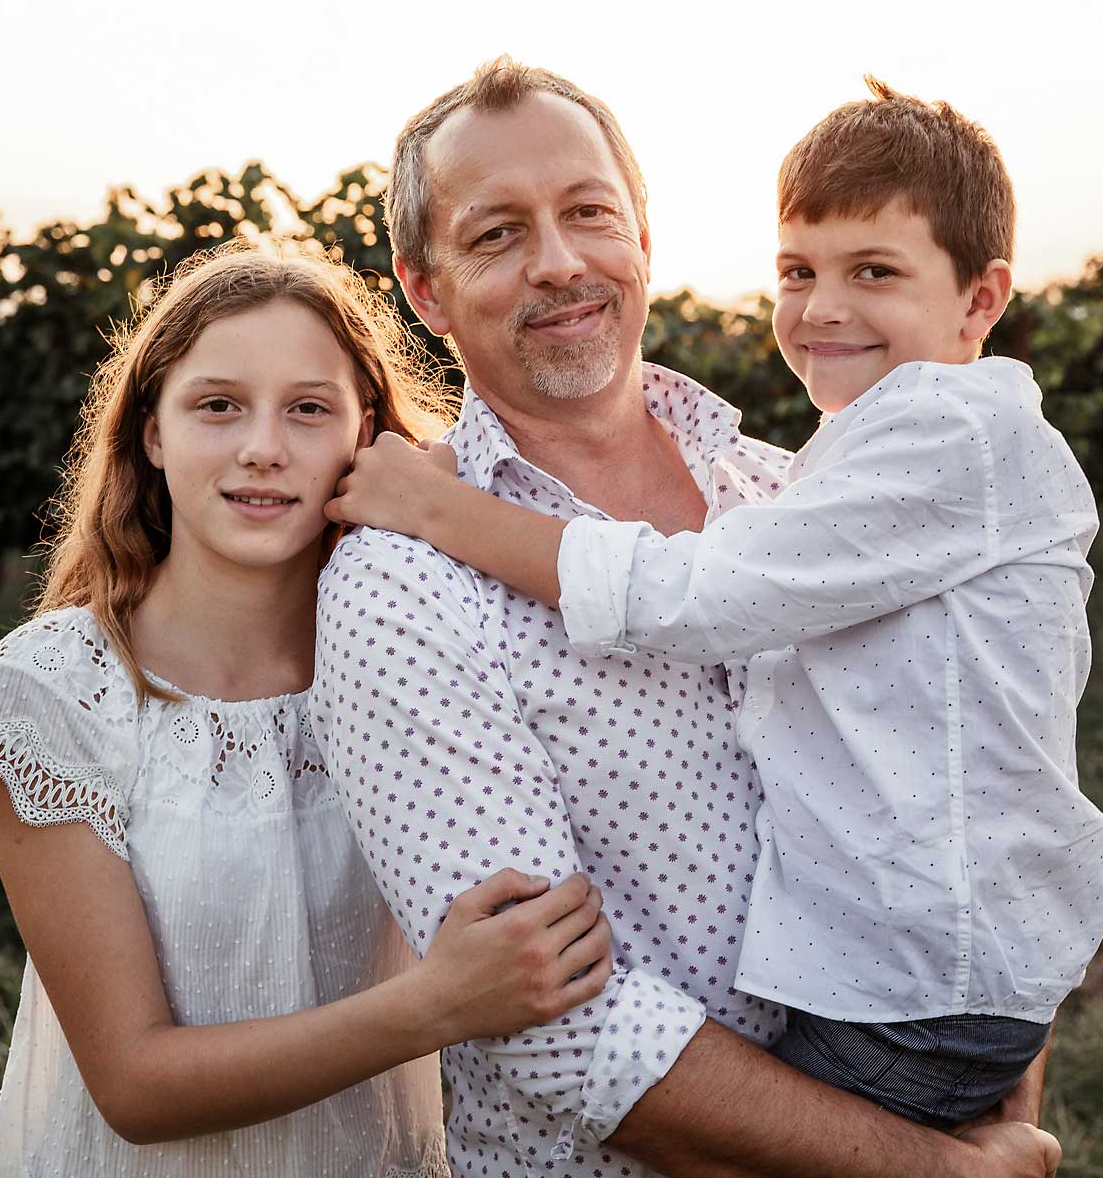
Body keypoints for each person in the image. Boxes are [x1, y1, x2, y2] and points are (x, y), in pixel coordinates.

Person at [310, 57, 1064, 1177]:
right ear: (424, 289)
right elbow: (560, 1032)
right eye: (498, 233)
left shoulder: (787, 491)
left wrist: (993, 1102)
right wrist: (940, 1169)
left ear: (644, 237)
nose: (559, 262)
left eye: (588, 213)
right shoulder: (403, 583)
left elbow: (978, 782)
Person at [0, 243, 614, 1176]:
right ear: (152, 432)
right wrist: (438, 1006)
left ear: (363, 435)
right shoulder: (50, 691)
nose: (263, 446)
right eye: (218, 405)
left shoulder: (416, 666)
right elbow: (133, 1084)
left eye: (307, 409)